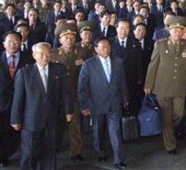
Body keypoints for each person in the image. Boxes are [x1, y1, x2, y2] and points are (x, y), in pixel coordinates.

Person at [11, 42, 73, 170]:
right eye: (42, 54)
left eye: (47, 54)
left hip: (51, 119)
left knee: (50, 153)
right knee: (29, 153)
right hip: (31, 121)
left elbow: (66, 92)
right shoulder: (24, 73)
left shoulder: (58, 69)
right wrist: (15, 119)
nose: (45, 57)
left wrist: (69, 111)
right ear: (34, 55)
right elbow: (18, 99)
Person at [144, 17, 186, 153]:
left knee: (179, 112)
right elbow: (152, 66)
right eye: (174, 30)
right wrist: (148, 84)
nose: (177, 33)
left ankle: (168, 131)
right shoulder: (160, 45)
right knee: (166, 116)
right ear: (169, 31)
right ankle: (170, 145)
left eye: (180, 30)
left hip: (180, 86)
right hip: (163, 87)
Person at [78, 37, 128, 169]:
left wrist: (125, 98)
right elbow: (82, 87)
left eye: (108, 46)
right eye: (103, 47)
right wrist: (84, 105)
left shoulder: (118, 62)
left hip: (114, 102)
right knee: (98, 130)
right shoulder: (88, 64)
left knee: (115, 131)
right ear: (96, 49)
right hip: (96, 103)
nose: (106, 49)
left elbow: (122, 82)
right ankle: (100, 152)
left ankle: (119, 159)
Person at [50, 23, 86, 162]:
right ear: (60, 40)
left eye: (72, 37)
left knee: (75, 126)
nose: (69, 40)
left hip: (74, 94)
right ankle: (53, 148)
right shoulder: (53, 55)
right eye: (66, 38)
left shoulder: (81, 52)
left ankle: (75, 152)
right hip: (57, 96)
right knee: (56, 125)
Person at [0, 32, 33, 167]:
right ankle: (3, 156)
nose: (13, 44)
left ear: (21, 43)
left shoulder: (29, 59)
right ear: (3, 44)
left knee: (20, 131)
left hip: (23, 102)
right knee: (2, 131)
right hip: (2, 103)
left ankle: (22, 155)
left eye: (16, 41)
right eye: (9, 41)